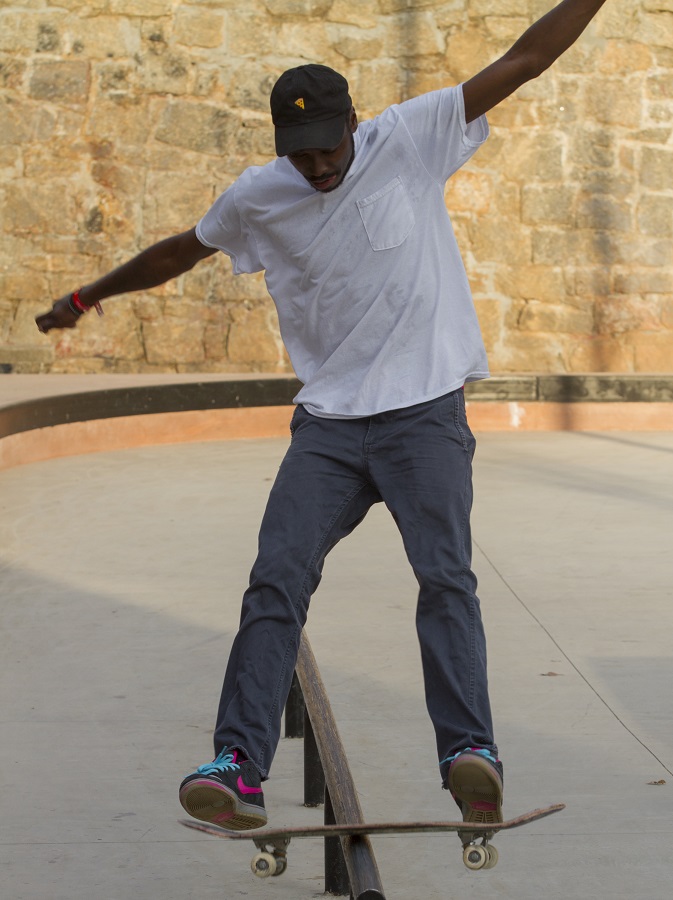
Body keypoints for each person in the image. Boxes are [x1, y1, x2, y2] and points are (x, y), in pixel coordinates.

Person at [37, 0, 609, 837]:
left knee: (445, 579)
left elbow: (523, 59)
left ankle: (467, 753)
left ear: (353, 126)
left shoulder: (409, 138)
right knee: (275, 579)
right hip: (330, 428)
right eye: (300, 156)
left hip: (424, 418)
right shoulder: (258, 196)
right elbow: (177, 251)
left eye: (328, 151)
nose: (316, 169)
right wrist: (87, 296)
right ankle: (237, 767)